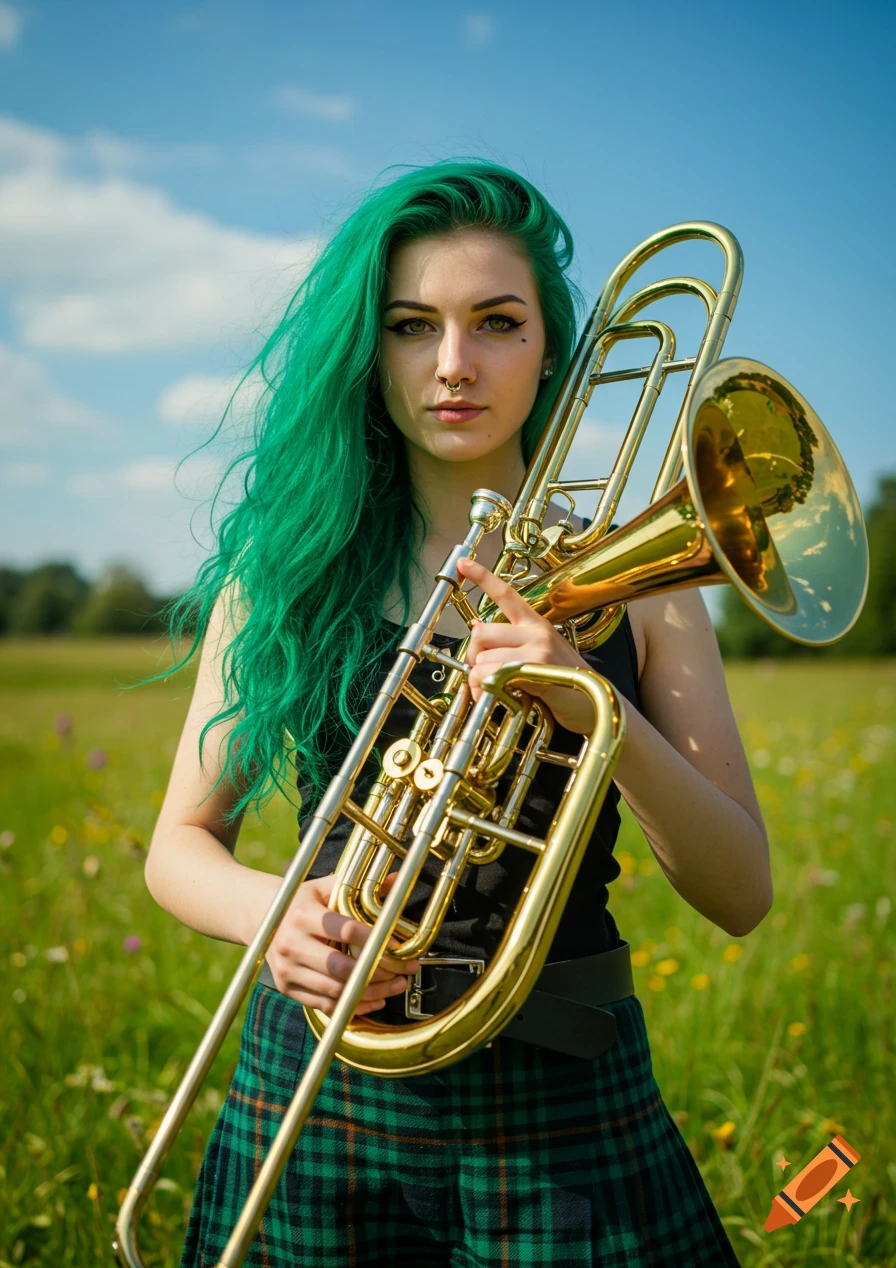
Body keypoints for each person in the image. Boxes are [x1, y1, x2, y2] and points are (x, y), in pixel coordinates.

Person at [144, 160, 771, 1267]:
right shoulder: (285, 573)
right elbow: (179, 847)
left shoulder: (649, 586)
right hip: (322, 1078)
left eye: (496, 322)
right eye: (408, 325)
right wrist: (269, 915)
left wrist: (592, 708)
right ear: (366, 348)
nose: (451, 364)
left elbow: (738, 891)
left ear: (551, 346)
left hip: (564, 1094)